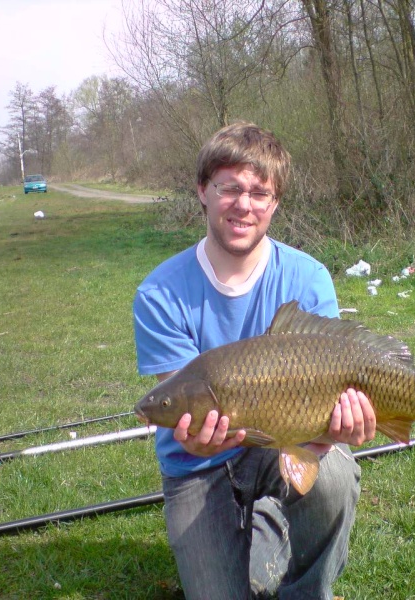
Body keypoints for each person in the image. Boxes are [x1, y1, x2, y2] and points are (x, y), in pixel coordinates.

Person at [133, 122, 377, 600]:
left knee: (332, 476)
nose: (244, 204)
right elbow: (180, 404)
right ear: (203, 191)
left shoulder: (308, 278)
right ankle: (264, 524)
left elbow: (332, 394)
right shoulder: (159, 293)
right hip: (197, 468)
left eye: (259, 193)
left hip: (286, 442)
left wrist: (338, 431)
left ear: (275, 203)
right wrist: (193, 440)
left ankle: (307, 591)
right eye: (230, 188)